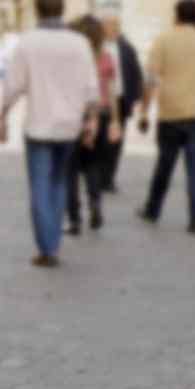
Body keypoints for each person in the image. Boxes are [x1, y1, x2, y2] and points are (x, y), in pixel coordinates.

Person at [0, 0, 101, 268]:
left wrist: (2, 116)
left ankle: (47, 246)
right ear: (62, 9)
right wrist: (90, 121)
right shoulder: (79, 43)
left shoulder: (28, 43)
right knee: (59, 182)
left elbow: (13, 85)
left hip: (39, 125)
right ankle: (52, 240)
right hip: (69, 126)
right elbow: (91, 88)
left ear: (37, 10)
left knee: (40, 185)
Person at [138, 0, 195, 233]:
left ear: (176, 15)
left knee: (164, 164)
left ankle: (152, 209)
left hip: (171, 113)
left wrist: (144, 112)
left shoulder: (164, 39)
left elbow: (151, 78)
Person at [63, 14, 120, 234]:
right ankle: (95, 204)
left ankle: (74, 218)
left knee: (70, 168)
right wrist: (115, 119)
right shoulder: (106, 57)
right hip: (103, 113)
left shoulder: (71, 59)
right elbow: (113, 91)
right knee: (93, 164)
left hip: (75, 114)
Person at [95, 9, 144, 194]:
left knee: (116, 141)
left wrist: (137, 96)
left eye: (117, 24)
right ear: (102, 27)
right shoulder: (95, 46)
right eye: (111, 24)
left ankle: (109, 178)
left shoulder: (127, 48)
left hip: (121, 100)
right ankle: (98, 176)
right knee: (101, 140)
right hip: (101, 101)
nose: (115, 28)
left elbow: (136, 73)